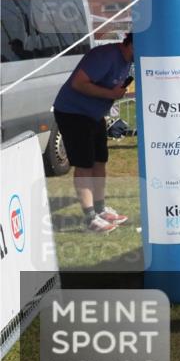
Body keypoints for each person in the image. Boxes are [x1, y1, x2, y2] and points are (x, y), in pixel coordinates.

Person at [52, 33, 133, 233]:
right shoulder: (105, 55)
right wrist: (111, 94)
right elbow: (78, 83)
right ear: (131, 44)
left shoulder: (126, 60)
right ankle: (90, 217)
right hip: (73, 112)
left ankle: (100, 209)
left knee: (99, 160)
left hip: (94, 115)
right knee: (84, 163)